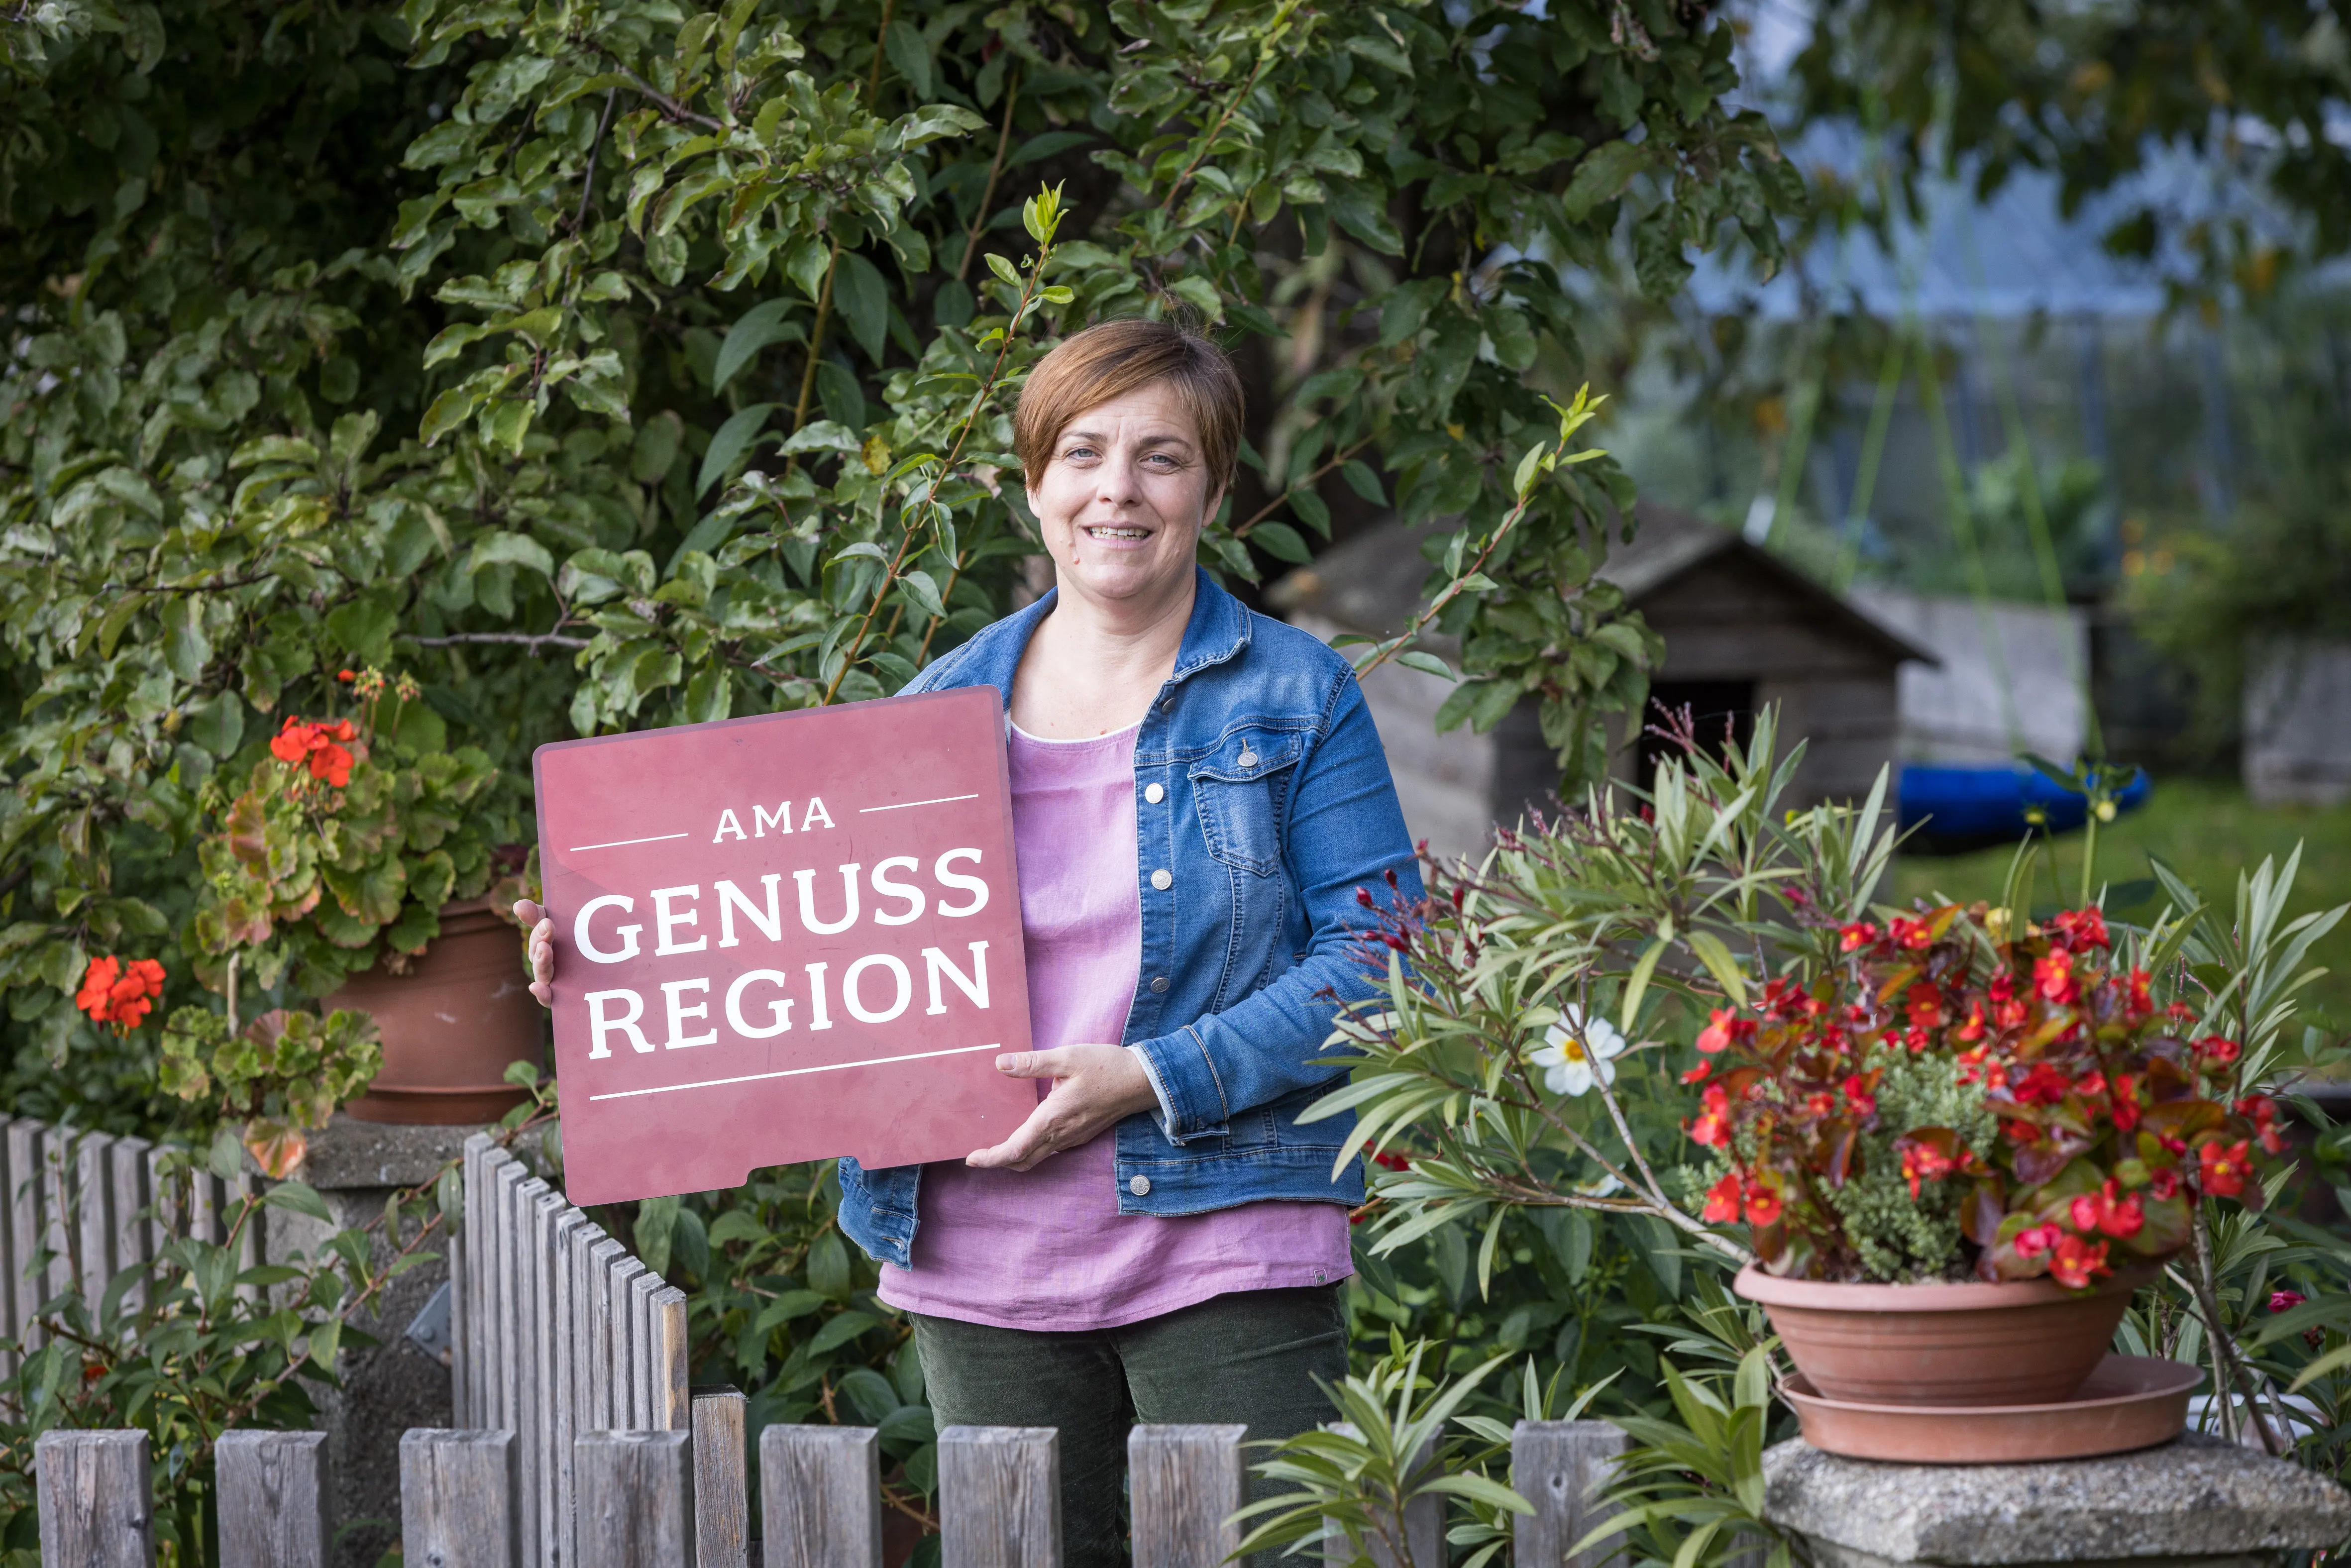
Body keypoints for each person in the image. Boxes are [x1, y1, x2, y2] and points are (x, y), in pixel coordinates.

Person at [516, 317, 1422, 1566]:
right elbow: (792, 957)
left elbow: (1383, 961)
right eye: (1084, 453)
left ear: (1212, 490)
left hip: (1227, 1230)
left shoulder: (1296, 695)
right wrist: (609, 956)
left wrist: (1154, 1076)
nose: (1119, 489)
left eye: (1162, 458)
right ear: (1033, 482)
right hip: (981, 1253)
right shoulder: (927, 716)